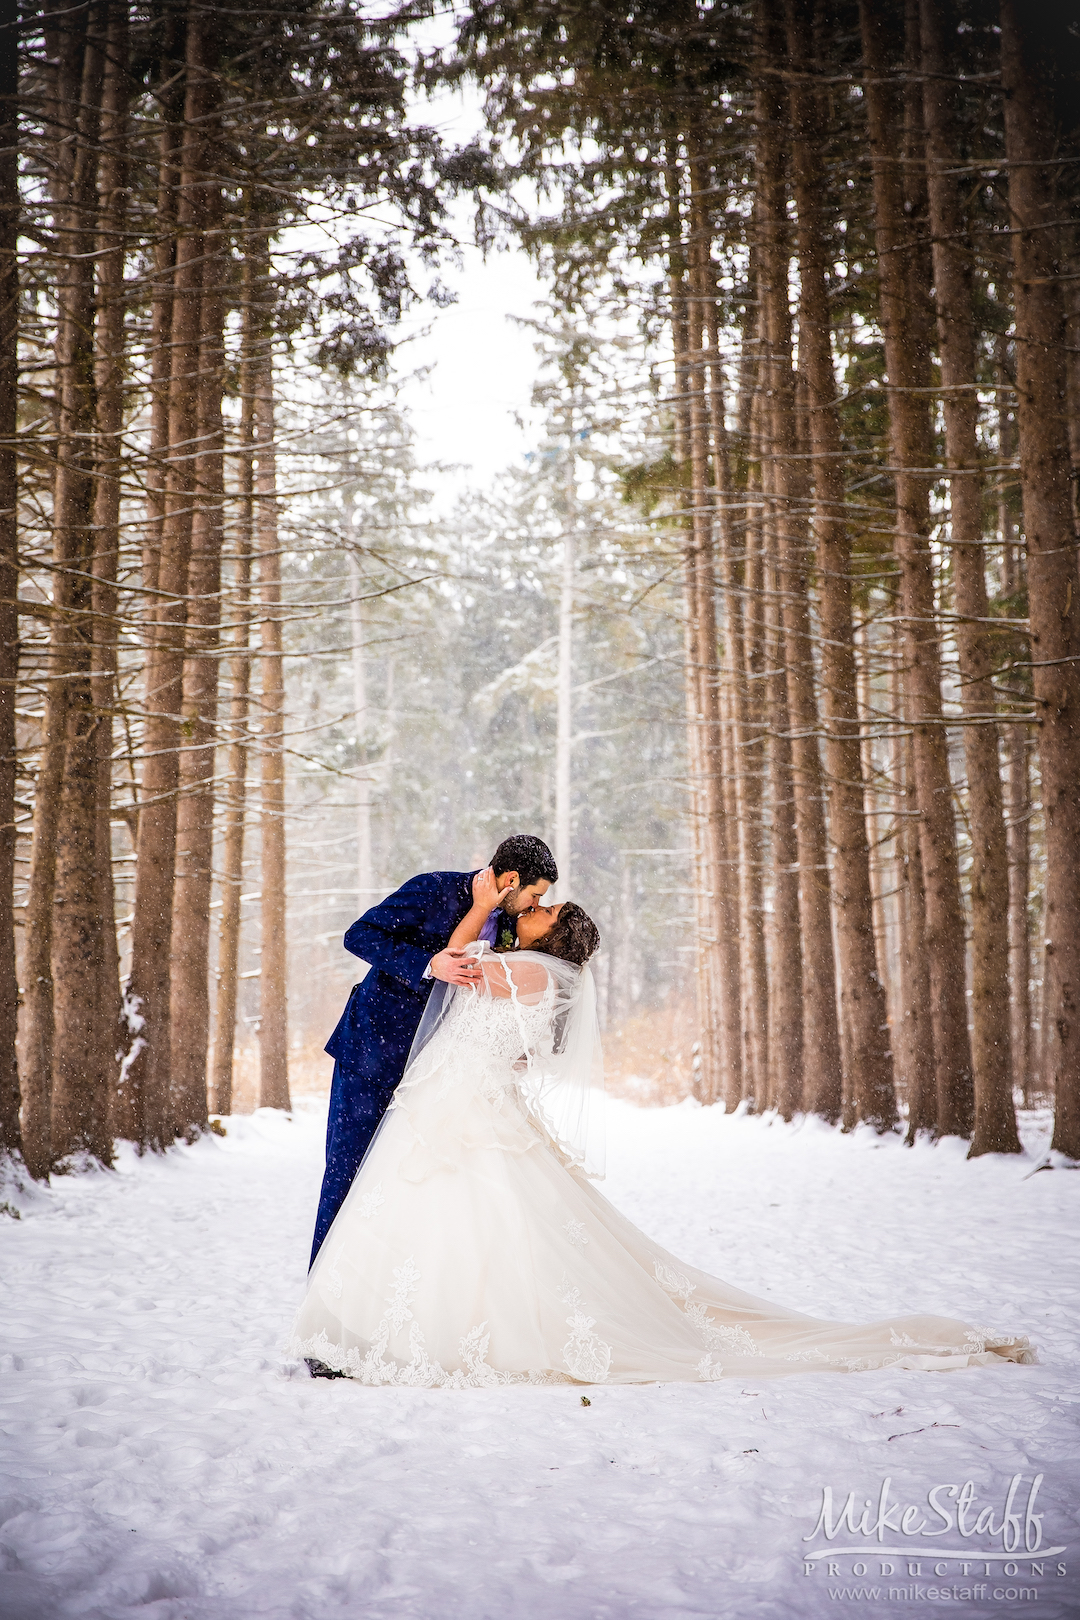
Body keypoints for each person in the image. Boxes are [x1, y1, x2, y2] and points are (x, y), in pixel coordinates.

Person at [289, 875, 1036, 1387]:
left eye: (545, 909)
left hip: (462, 1104)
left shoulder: (530, 971)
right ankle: (370, 1323)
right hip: (456, 1098)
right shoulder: (528, 967)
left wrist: (479, 910)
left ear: (557, 936)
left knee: (480, 1212)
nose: (535, 910)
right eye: (539, 900)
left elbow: (456, 967)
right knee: (444, 1210)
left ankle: (429, 1326)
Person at [309, 834, 558, 1267]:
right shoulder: (435, 888)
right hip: (372, 1055)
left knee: (395, 1190)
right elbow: (359, 935)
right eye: (535, 895)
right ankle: (323, 1294)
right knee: (346, 1177)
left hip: (432, 1077)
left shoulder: (506, 926)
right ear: (512, 879)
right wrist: (428, 963)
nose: (534, 906)